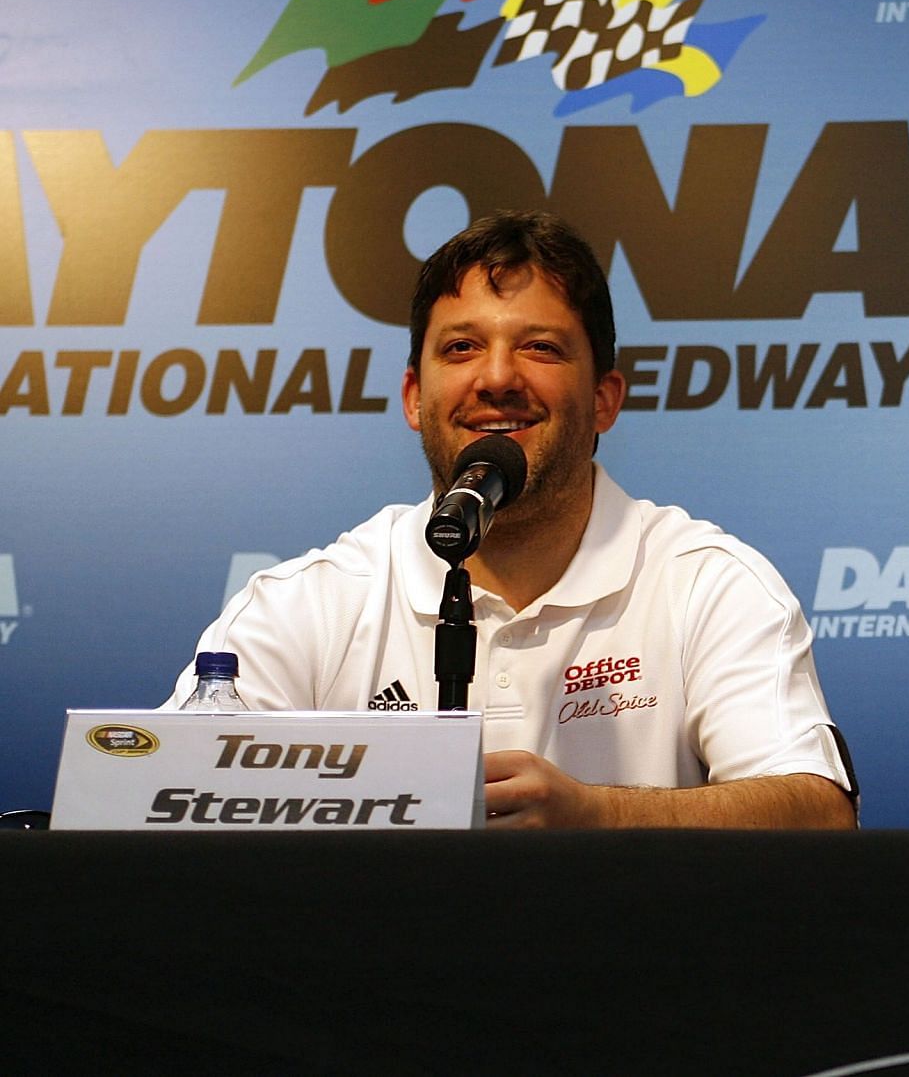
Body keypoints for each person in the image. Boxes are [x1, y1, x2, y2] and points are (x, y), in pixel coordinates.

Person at [170, 210, 856, 829]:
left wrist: (598, 816)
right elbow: (158, 801)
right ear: (414, 396)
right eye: (461, 348)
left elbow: (821, 816)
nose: (497, 376)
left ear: (604, 399)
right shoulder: (310, 601)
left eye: (541, 348)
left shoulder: (708, 583)